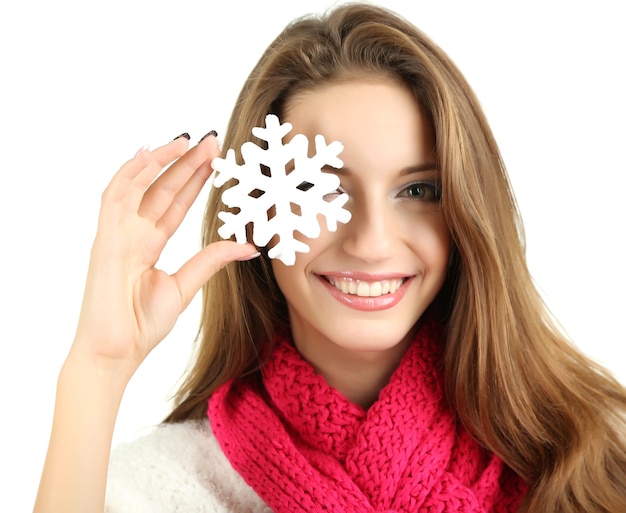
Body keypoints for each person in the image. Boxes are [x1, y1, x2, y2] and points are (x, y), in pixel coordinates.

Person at [33, 3, 626, 513]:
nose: (371, 241)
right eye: (323, 191)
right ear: (256, 210)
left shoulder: (600, 458)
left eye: (418, 191)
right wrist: (97, 369)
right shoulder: (158, 491)